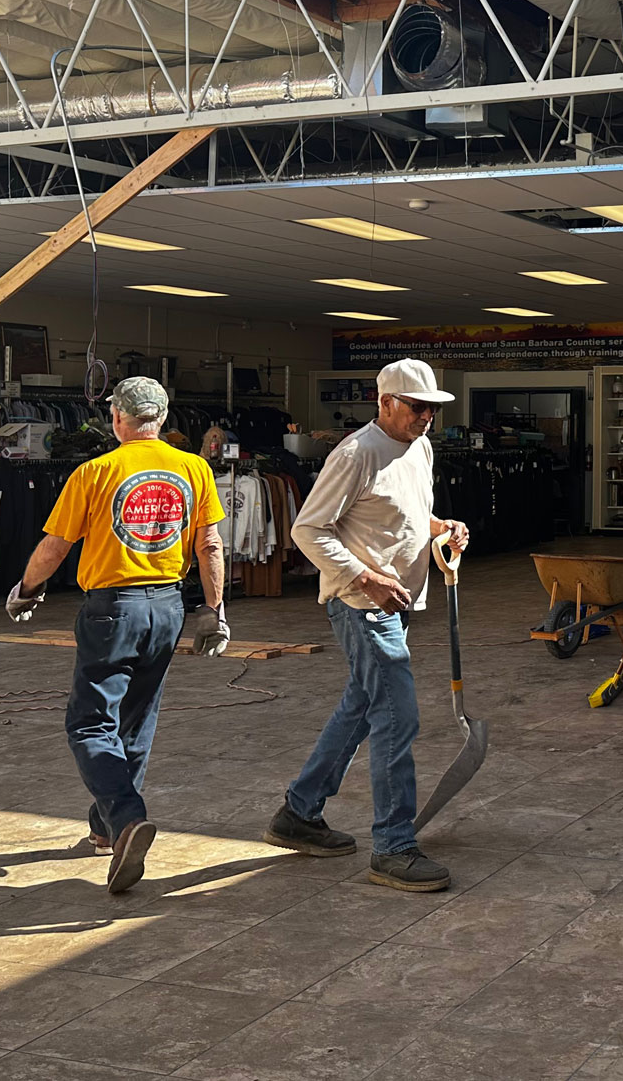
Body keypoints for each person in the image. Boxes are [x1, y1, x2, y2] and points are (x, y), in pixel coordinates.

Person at [6, 376, 228, 895]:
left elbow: (56, 546)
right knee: (137, 720)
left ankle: (127, 817)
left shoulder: (96, 472)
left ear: (118, 419)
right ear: (163, 419)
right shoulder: (194, 468)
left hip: (113, 610)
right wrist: (214, 612)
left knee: (88, 724)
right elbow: (210, 545)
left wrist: (26, 588)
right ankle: (106, 828)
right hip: (168, 606)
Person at [265, 358, 469, 892]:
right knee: (397, 718)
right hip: (361, 604)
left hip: (395, 603)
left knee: (361, 706)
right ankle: (393, 846)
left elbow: (402, 510)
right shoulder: (355, 453)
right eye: (416, 407)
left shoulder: (419, 446)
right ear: (385, 403)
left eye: (432, 409)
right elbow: (308, 530)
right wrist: (366, 578)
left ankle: (299, 812)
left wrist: (442, 527)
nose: (426, 417)